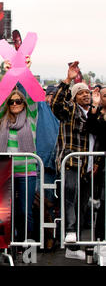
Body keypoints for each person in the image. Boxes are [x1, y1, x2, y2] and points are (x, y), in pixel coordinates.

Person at [51, 62, 92, 260]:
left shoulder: (91, 115)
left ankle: (75, 245)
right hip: (72, 162)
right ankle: (70, 238)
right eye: (81, 92)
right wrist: (68, 80)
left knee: (83, 204)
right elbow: (56, 104)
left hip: (89, 166)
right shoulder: (70, 111)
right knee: (70, 200)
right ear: (74, 97)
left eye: (88, 92)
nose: (86, 95)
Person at [0, 89, 38, 242]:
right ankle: (8, 242)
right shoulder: (2, 117)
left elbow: (34, 97)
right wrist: (10, 73)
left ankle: (26, 243)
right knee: (6, 211)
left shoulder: (31, 117)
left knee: (25, 211)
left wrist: (24, 70)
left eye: (18, 101)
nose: (14, 104)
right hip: (6, 173)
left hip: (27, 172)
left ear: (24, 104)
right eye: (11, 101)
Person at [86, 86, 106, 241]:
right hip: (101, 163)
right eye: (104, 96)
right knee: (102, 202)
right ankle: (100, 238)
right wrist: (94, 106)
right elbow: (91, 129)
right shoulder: (97, 114)